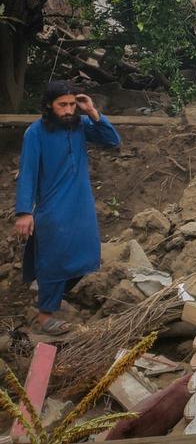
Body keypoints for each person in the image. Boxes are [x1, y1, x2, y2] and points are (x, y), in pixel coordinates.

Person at [14, 81, 121, 335]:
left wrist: (91, 111)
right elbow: (27, 172)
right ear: (49, 105)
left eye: (72, 104)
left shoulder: (80, 125)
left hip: (81, 204)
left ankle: (48, 291)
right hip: (53, 207)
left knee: (88, 254)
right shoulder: (35, 133)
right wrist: (24, 212)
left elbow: (112, 140)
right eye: (62, 105)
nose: (69, 110)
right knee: (54, 258)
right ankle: (45, 316)